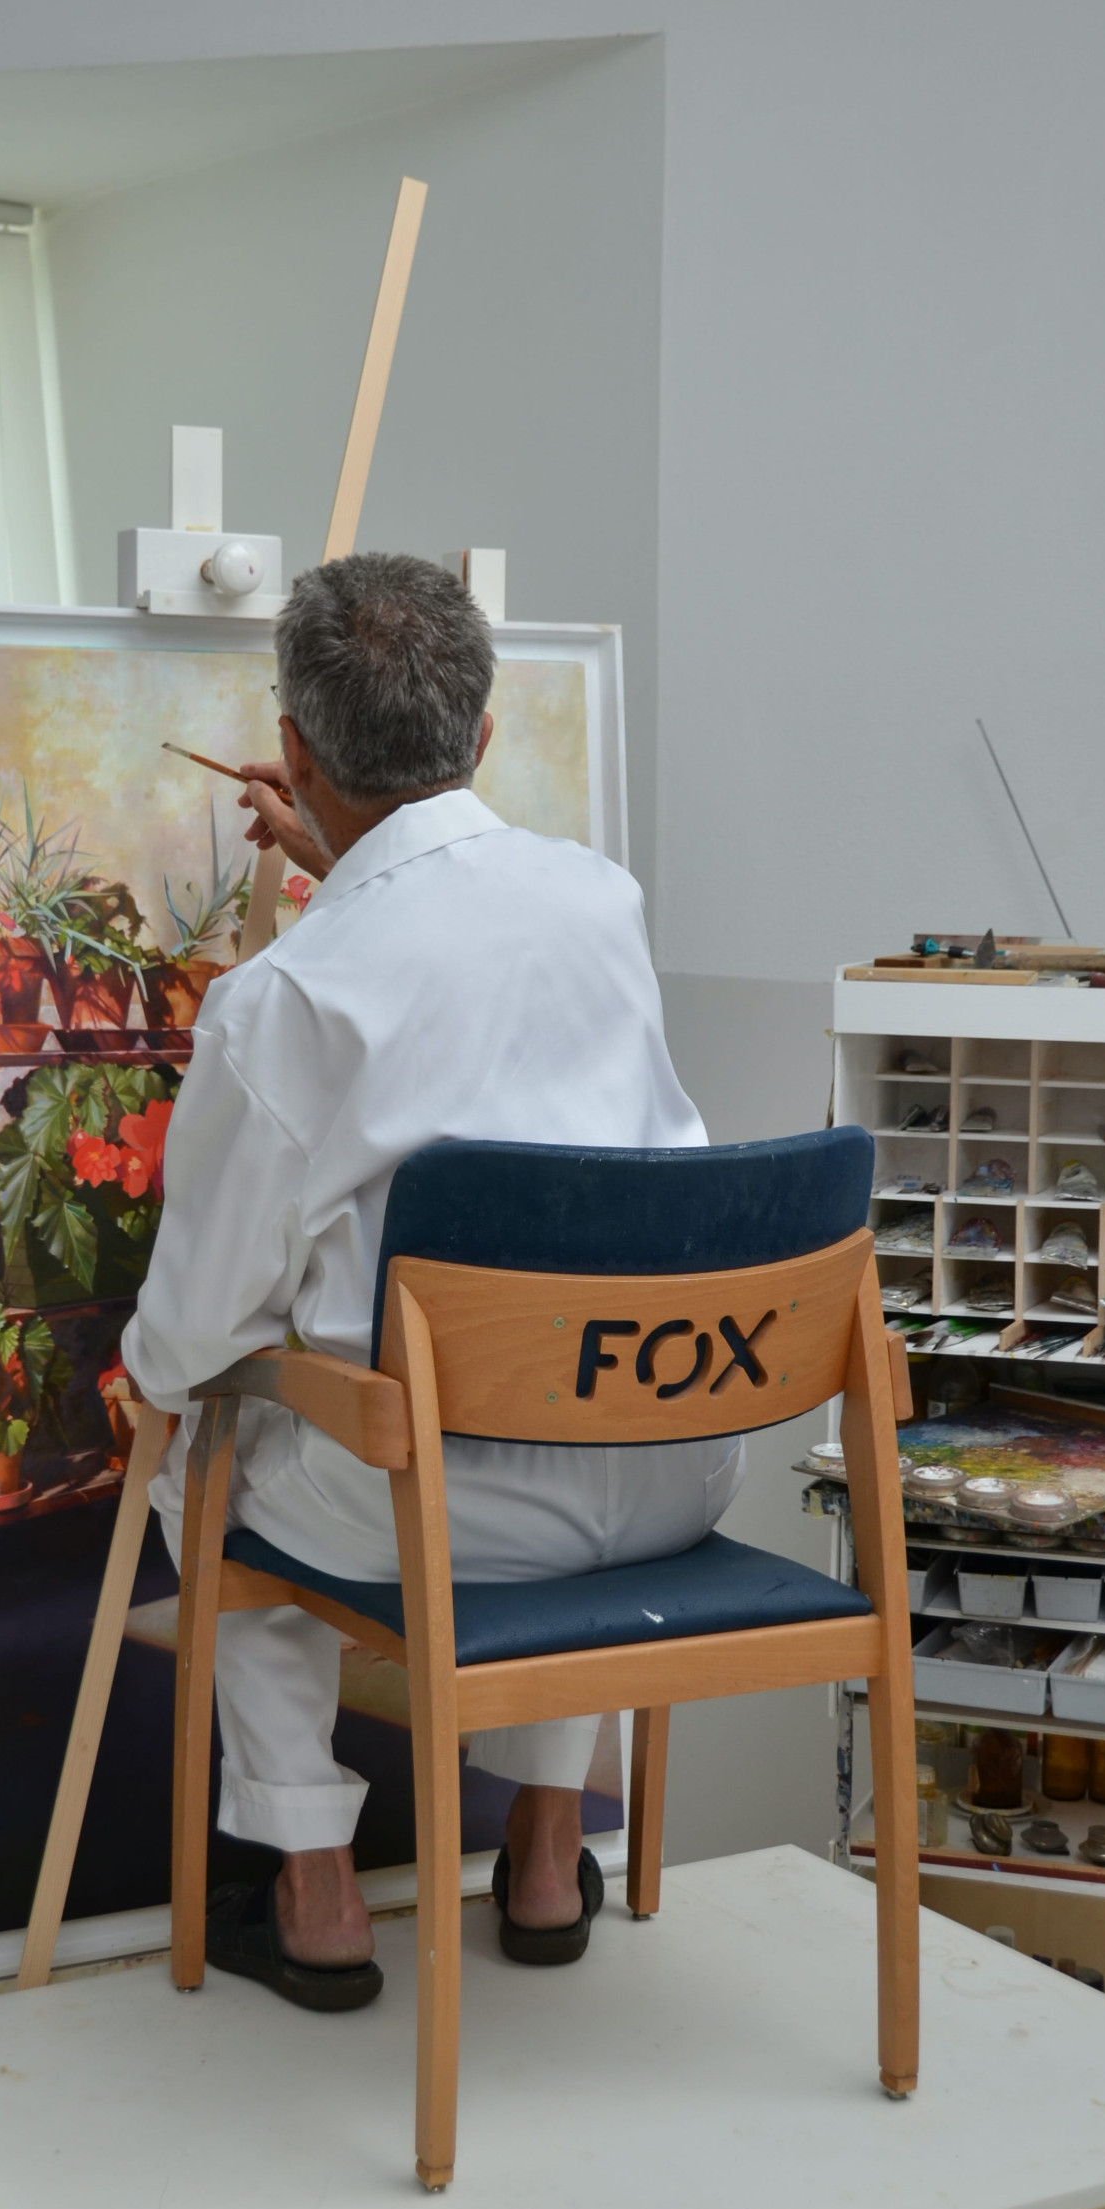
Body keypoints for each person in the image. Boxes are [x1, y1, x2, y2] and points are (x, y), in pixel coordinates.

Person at [121, 552, 744, 2009]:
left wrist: (162, 1384)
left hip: (432, 1514)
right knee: (566, 1357)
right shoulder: (603, 906)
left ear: (292, 751)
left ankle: (316, 1885)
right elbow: (456, 953)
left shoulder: (280, 1000)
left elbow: (195, 1329)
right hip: (672, 1466)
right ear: (482, 731)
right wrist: (353, 875)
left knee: (205, 1432)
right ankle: (541, 1848)